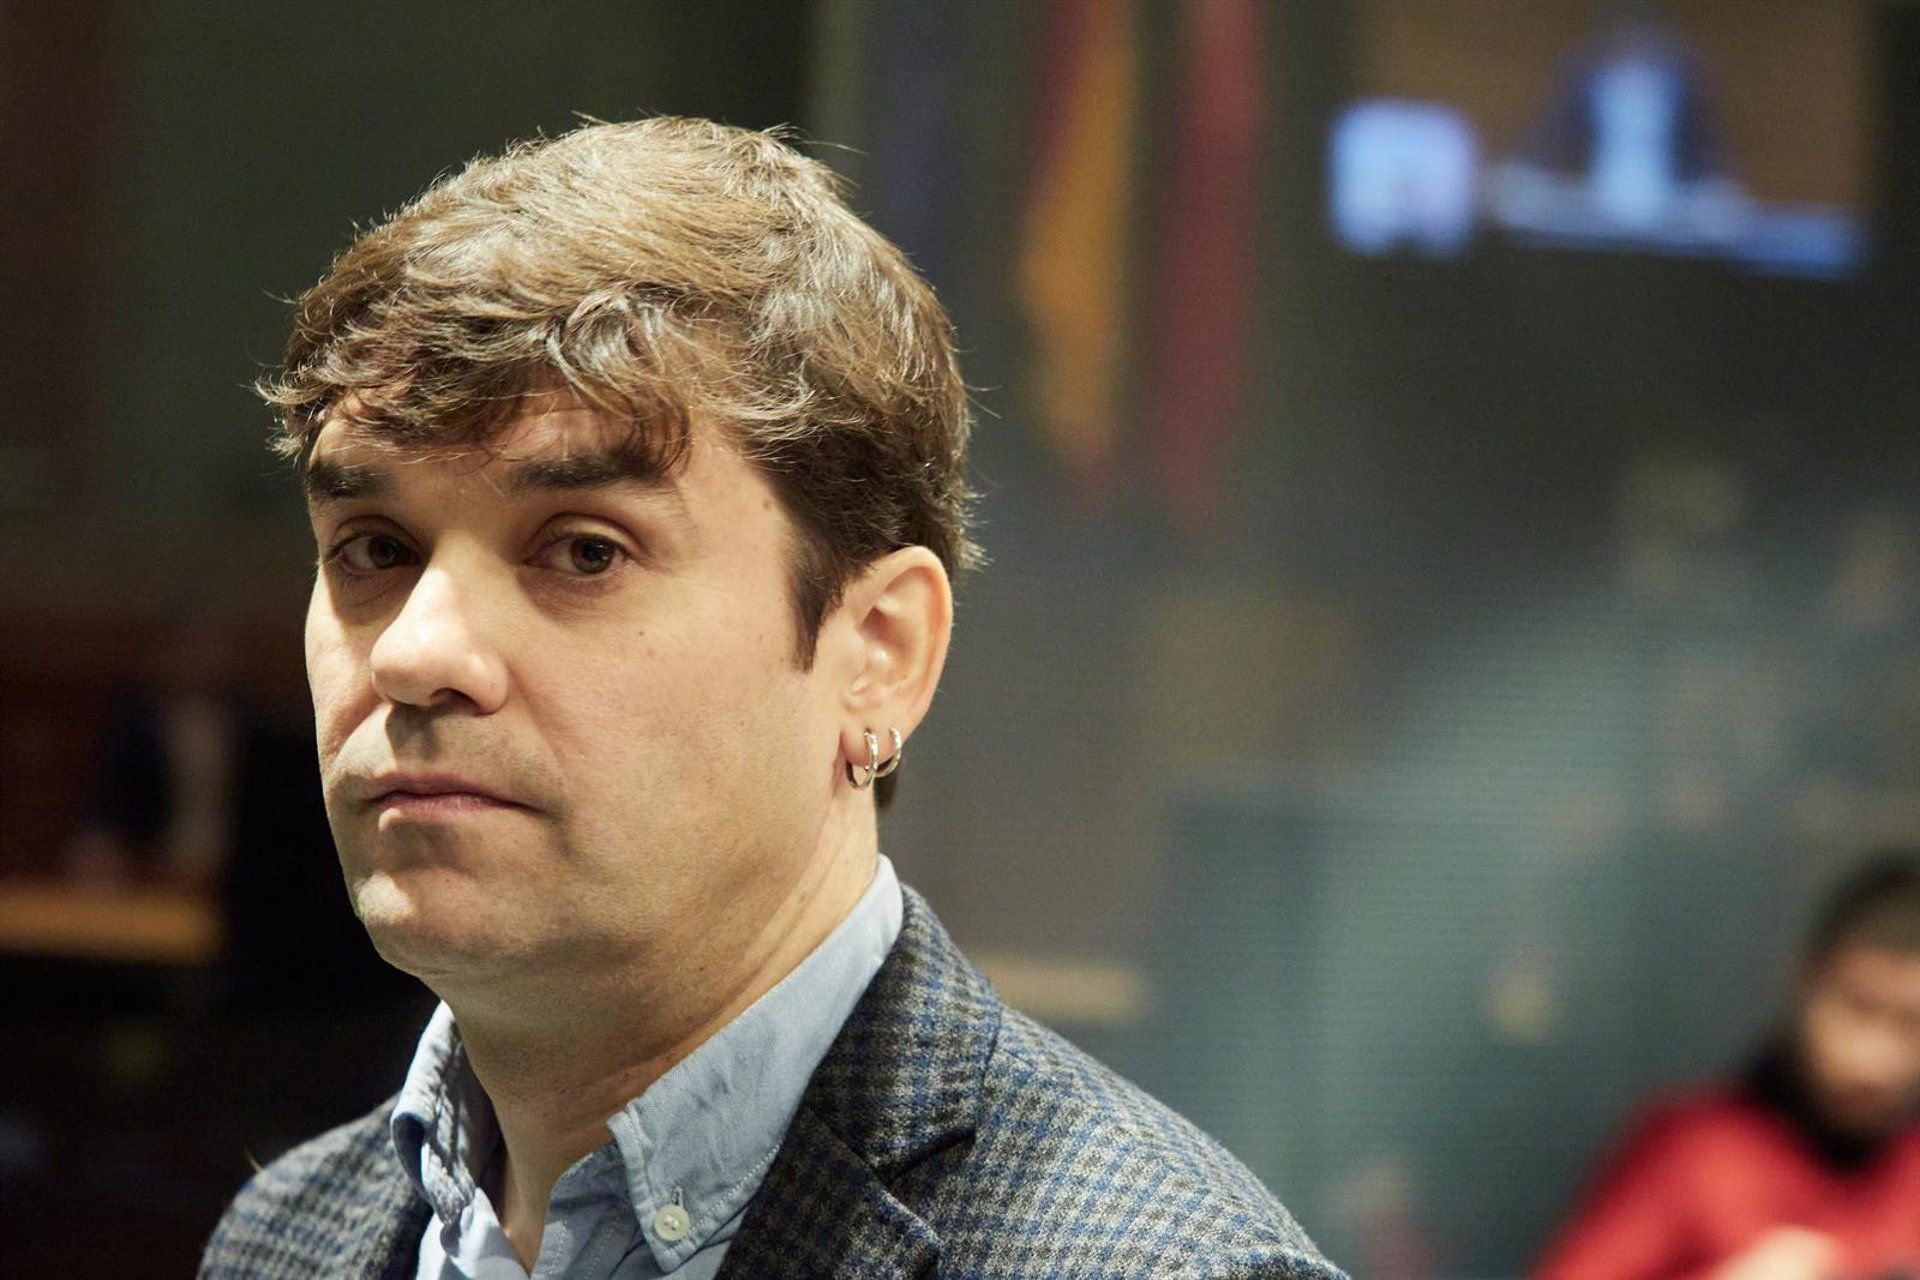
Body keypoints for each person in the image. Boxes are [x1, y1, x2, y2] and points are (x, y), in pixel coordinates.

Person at [197, 118, 1345, 1279]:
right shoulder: (284, 1238)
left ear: (879, 651)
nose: (413, 651)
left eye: (585, 550)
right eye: (375, 548)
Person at [1533, 851, 1920, 1280]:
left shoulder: (1912, 1169)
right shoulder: (1689, 1150)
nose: (1873, 1060)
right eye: (1858, 1007)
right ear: (1805, 980)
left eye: (1911, 1024)